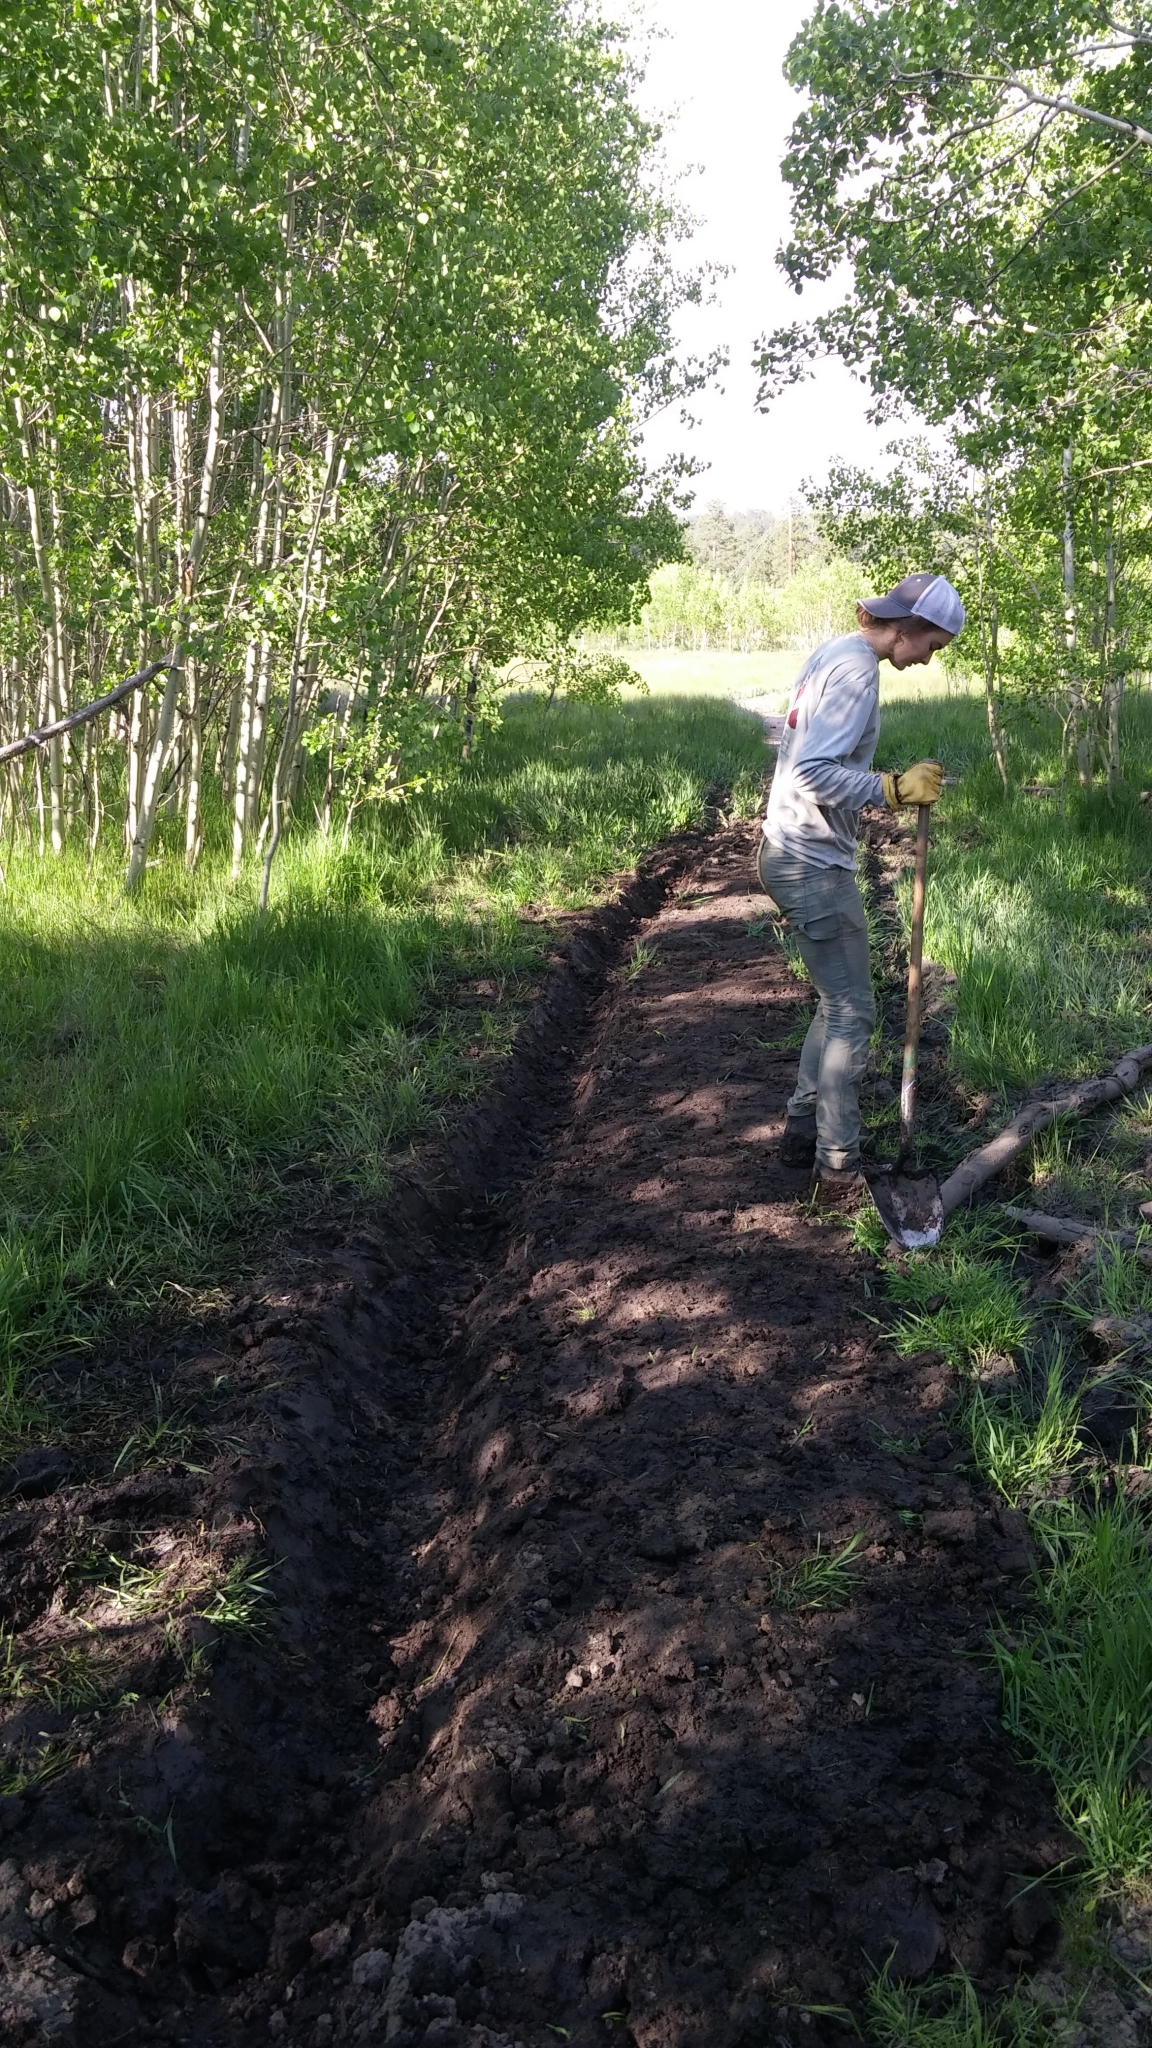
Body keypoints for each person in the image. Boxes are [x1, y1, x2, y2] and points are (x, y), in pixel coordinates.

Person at [759, 570, 965, 1200]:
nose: (930, 659)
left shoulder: (837, 651)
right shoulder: (857, 670)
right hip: (811, 862)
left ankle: (802, 1128)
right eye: (932, 645)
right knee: (854, 1012)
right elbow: (815, 772)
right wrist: (891, 788)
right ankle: (838, 1165)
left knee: (834, 1000)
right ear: (908, 627)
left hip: (789, 850)